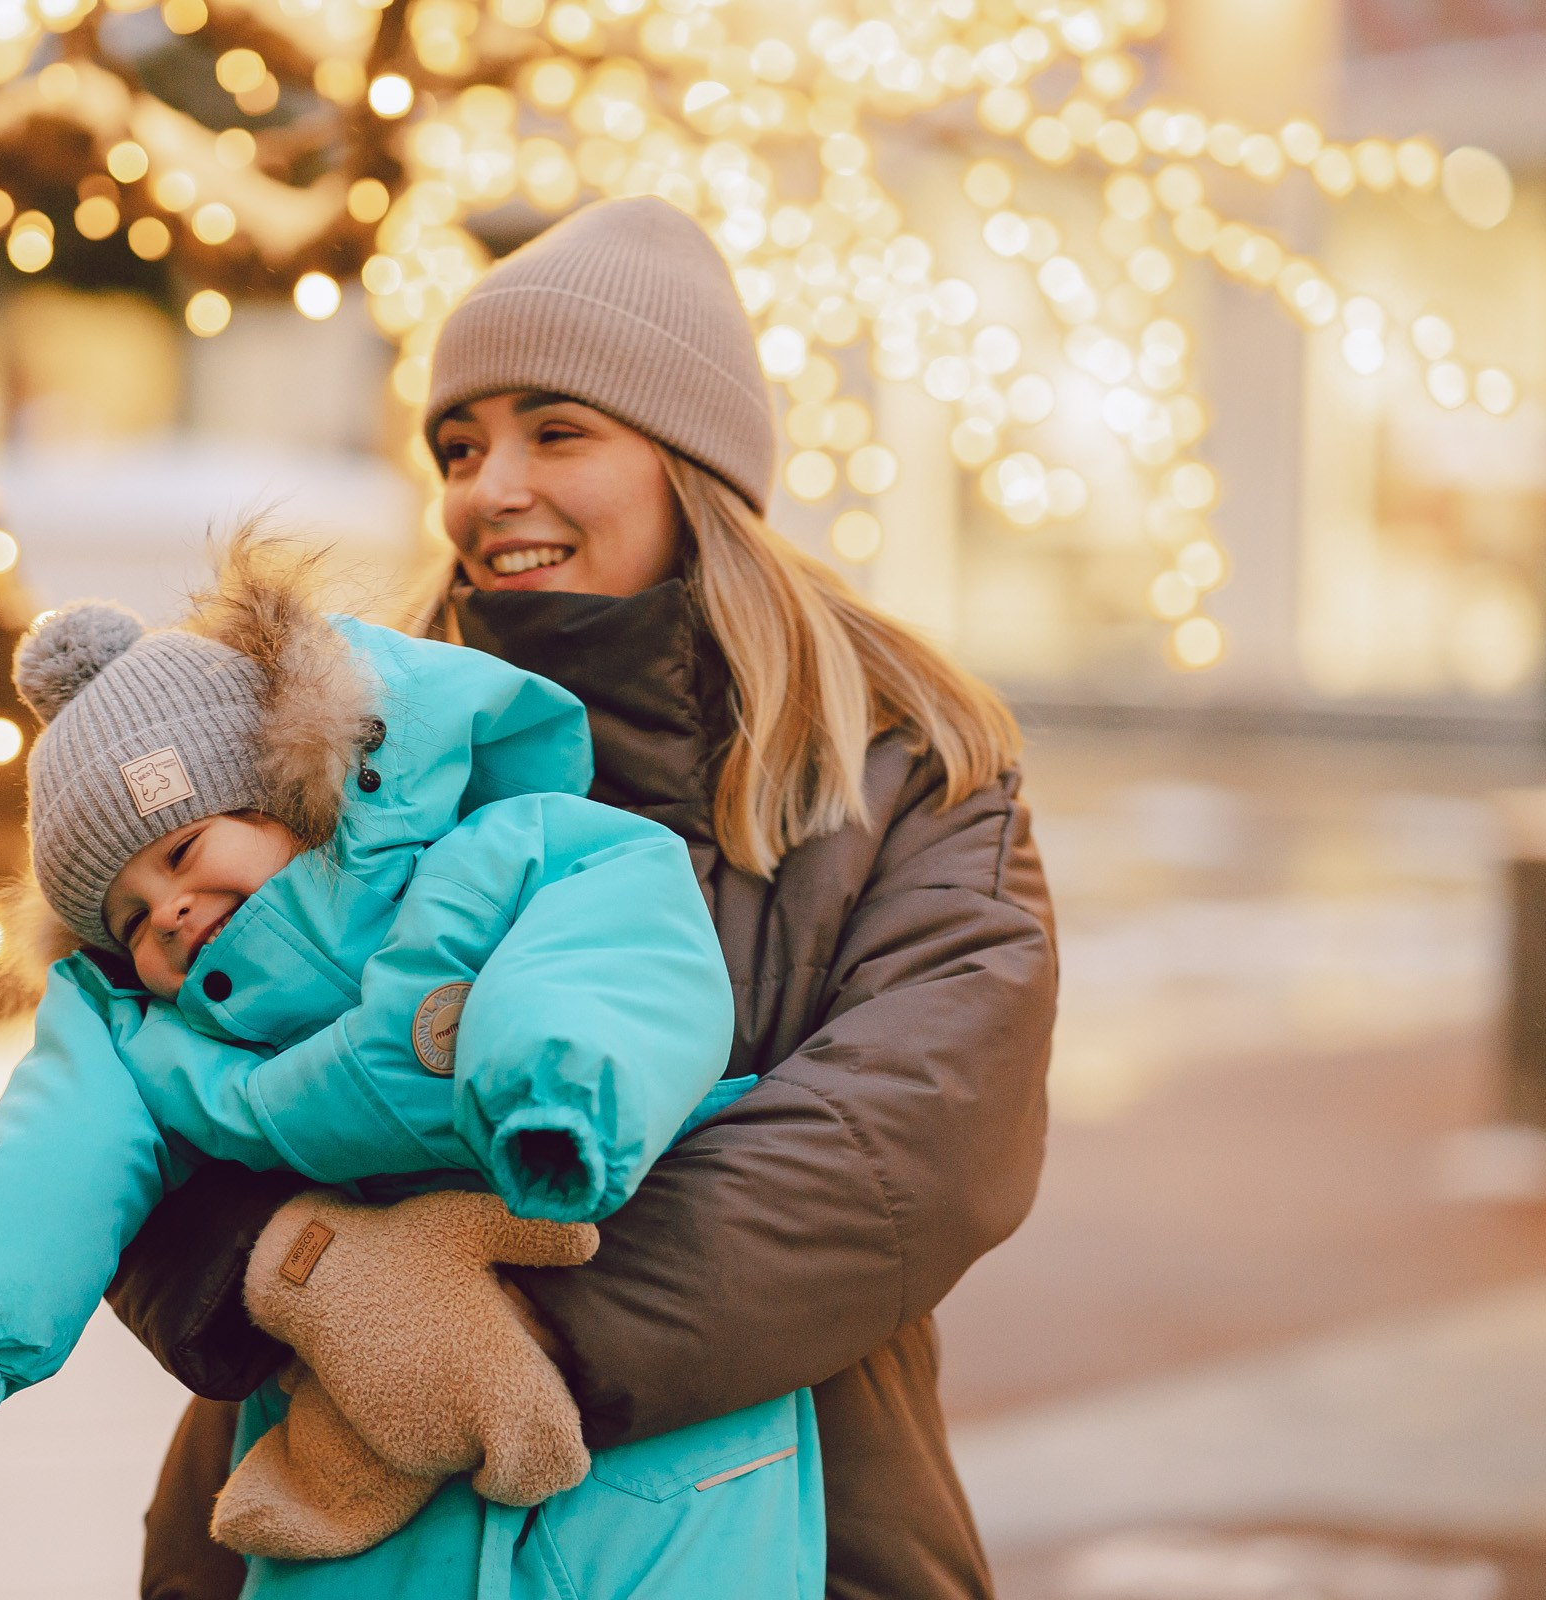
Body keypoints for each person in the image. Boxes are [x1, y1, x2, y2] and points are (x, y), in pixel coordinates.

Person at [110, 194, 1057, 1600]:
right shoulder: (335, 752)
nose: (492, 487)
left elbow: (908, 1148)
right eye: (460, 444)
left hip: (785, 1524)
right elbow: (139, 1093)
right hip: (337, 1529)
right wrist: (304, 1277)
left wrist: (508, 1332)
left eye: (558, 432)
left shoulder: (901, 774)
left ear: (691, 463)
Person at [0, 540, 825, 1596]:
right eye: (130, 916)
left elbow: (609, 938)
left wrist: (560, 1081)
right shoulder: (154, 1040)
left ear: (291, 794)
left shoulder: (485, 858)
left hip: (647, 1459)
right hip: (359, 1455)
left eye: (184, 852)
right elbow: (57, 1151)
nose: (170, 912)